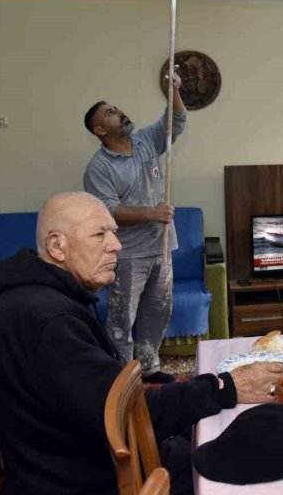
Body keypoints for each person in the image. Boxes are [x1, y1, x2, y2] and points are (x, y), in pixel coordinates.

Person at [0, 192, 283, 495]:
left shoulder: (37, 299)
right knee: (255, 460)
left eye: (113, 233)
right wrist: (225, 387)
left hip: (66, 457)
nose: (116, 245)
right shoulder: (50, 321)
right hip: (92, 478)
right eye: (100, 234)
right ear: (57, 246)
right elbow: (127, 412)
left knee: (219, 427)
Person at [83, 74, 185, 382]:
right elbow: (108, 211)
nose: (120, 112)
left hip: (162, 245)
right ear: (99, 130)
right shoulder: (99, 167)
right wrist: (151, 213)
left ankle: (150, 367)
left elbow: (176, 120)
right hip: (127, 254)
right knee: (122, 318)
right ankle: (121, 376)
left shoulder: (145, 142)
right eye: (110, 113)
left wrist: (174, 91)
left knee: (158, 311)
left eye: (117, 108)